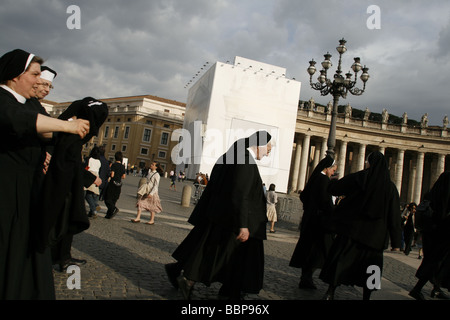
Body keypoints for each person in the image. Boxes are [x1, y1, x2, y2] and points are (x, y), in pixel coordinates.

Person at [0, 49, 90, 299]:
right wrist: (67, 126)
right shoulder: (3, 99)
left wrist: (71, 131)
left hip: (27, 192)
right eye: (35, 74)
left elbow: (42, 130)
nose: (40, 81)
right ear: (15, 75)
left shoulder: (27, 102)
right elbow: (19, 121)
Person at [165, 131, 272, 300]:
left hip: (225, 216)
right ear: (258, 145)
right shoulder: (244, 160)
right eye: (268, 146)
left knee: (211, 251)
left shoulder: (237, 157)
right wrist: (243, 224)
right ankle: (192, 281)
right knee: (216, 254)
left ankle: (225, 287)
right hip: (234, 220)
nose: (270, 150)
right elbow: (240, 193)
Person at [319, 151, 402, 300]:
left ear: (370, 163)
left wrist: (331, 181)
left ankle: (330, 291)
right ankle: (367, 297)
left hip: (353, 231)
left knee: (341, 261)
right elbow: (394, 216)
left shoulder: (360, 177)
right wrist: (397, 242)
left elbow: (336, 189)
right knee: (372, 269)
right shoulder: (390, 188)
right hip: (375, 239)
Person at [289, 155, 337, 290]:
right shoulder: (323, 181)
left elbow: (304, 196)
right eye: (333, 170)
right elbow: (325, 202)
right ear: (327, 168)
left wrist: (310, 208)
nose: (333, 172)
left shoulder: (314, 178)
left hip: (309, 220)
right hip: (319, 223)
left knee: (308, 250)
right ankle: (310, 278)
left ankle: (306, 277)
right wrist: (334, 210)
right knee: (319, 251)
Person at [409, 171, 450, 300]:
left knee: (436, 261)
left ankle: (436, 289)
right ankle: (417, 289)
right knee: (435, 261)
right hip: (441, 232)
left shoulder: (433, 193)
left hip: (431, 231)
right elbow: (443, 213)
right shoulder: (444, 196)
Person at [104, 151, 126, 219]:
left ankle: (114, 208)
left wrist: (110, 174)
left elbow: (112, 175)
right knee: (114, 199)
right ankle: (109, 214)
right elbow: (123, 177)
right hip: (119, 184)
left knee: (107, 198)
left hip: (112, 183)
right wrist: (119, 176)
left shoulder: (114, 165)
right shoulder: (122, 166)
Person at [85, 146, 102, 218]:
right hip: (96, 176)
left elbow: (86, 168)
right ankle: (93, 209)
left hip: (90, 175)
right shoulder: (99, 161)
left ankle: (94, 208)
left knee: (87, 195)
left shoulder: (89, 159)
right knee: (92, 194)